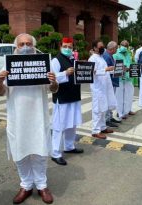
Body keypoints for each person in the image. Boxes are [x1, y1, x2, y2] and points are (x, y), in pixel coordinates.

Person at [0, 33, 58, 204]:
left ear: (34, 45)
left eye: (28, 43)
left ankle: (42, 185)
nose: (25, 46)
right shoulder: (8, 66)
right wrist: (0, 81)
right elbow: (0, 92)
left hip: (38, 117)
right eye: (21, 43)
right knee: (20, 152)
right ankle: (26, 185)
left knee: (39, 152)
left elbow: (53, 89)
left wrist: (53, 81)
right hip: (17, 120)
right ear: (16, 47)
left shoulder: (44, 64)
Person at [50, 37, 84, 166]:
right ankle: (55, 153)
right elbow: (51, 77)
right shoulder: (56, 60)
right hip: (62, 97)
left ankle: (69, 146)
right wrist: (65, 73)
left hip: (73, 95)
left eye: (70, 47)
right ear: (60, 46)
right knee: (59, 125)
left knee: (72, 123)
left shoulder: (72, 59)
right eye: (65, 46)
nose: (68, 49)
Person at [89, 40, 117, 139]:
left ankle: (102, 127)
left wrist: (112, 70)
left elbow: (105, 71)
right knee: (97, 109)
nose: (102, 48)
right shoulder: (92, 58)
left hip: (104, 87)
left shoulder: (101, 58)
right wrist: (106, 69)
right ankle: (95, 130)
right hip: (97, 88)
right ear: (95, 48)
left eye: (103, 46)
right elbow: (93, 71)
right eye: (100, 47)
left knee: (103, 108)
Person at [113, 40, 136, 120]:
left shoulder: (129, 53)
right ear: (120, 45)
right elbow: (115, 66)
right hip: (119, 78)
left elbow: (131, 63)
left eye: (126, 46)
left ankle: (128, 110)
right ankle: (120, 113)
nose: (124, 47)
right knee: (119, 96)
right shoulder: (116, 54)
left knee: (129, 94)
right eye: (123, 45)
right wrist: (123, 68)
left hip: (129, 77)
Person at [102, 41, 121, 127]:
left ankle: (109, 117)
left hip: (112, 80)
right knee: (108, 101)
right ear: (112, 49)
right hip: (110, 81)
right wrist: (114, 70)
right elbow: (105, 70)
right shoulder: (106, 56)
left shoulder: (109, 56)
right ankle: (107, 119)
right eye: (116, 48)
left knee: (111, 100)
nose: (117, 49)